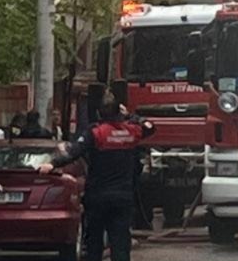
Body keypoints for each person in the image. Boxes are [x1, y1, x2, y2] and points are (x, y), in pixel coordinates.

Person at [37, 93, 155, 261]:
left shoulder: (96, 133)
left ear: (99, 113)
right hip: (123, 197)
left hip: (97, 196)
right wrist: (130, 115)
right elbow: (150, 127)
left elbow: (74, 152)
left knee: (94, 242)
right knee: (120, 242)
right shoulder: (131, 131)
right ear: (119, 112)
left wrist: (52, 164)